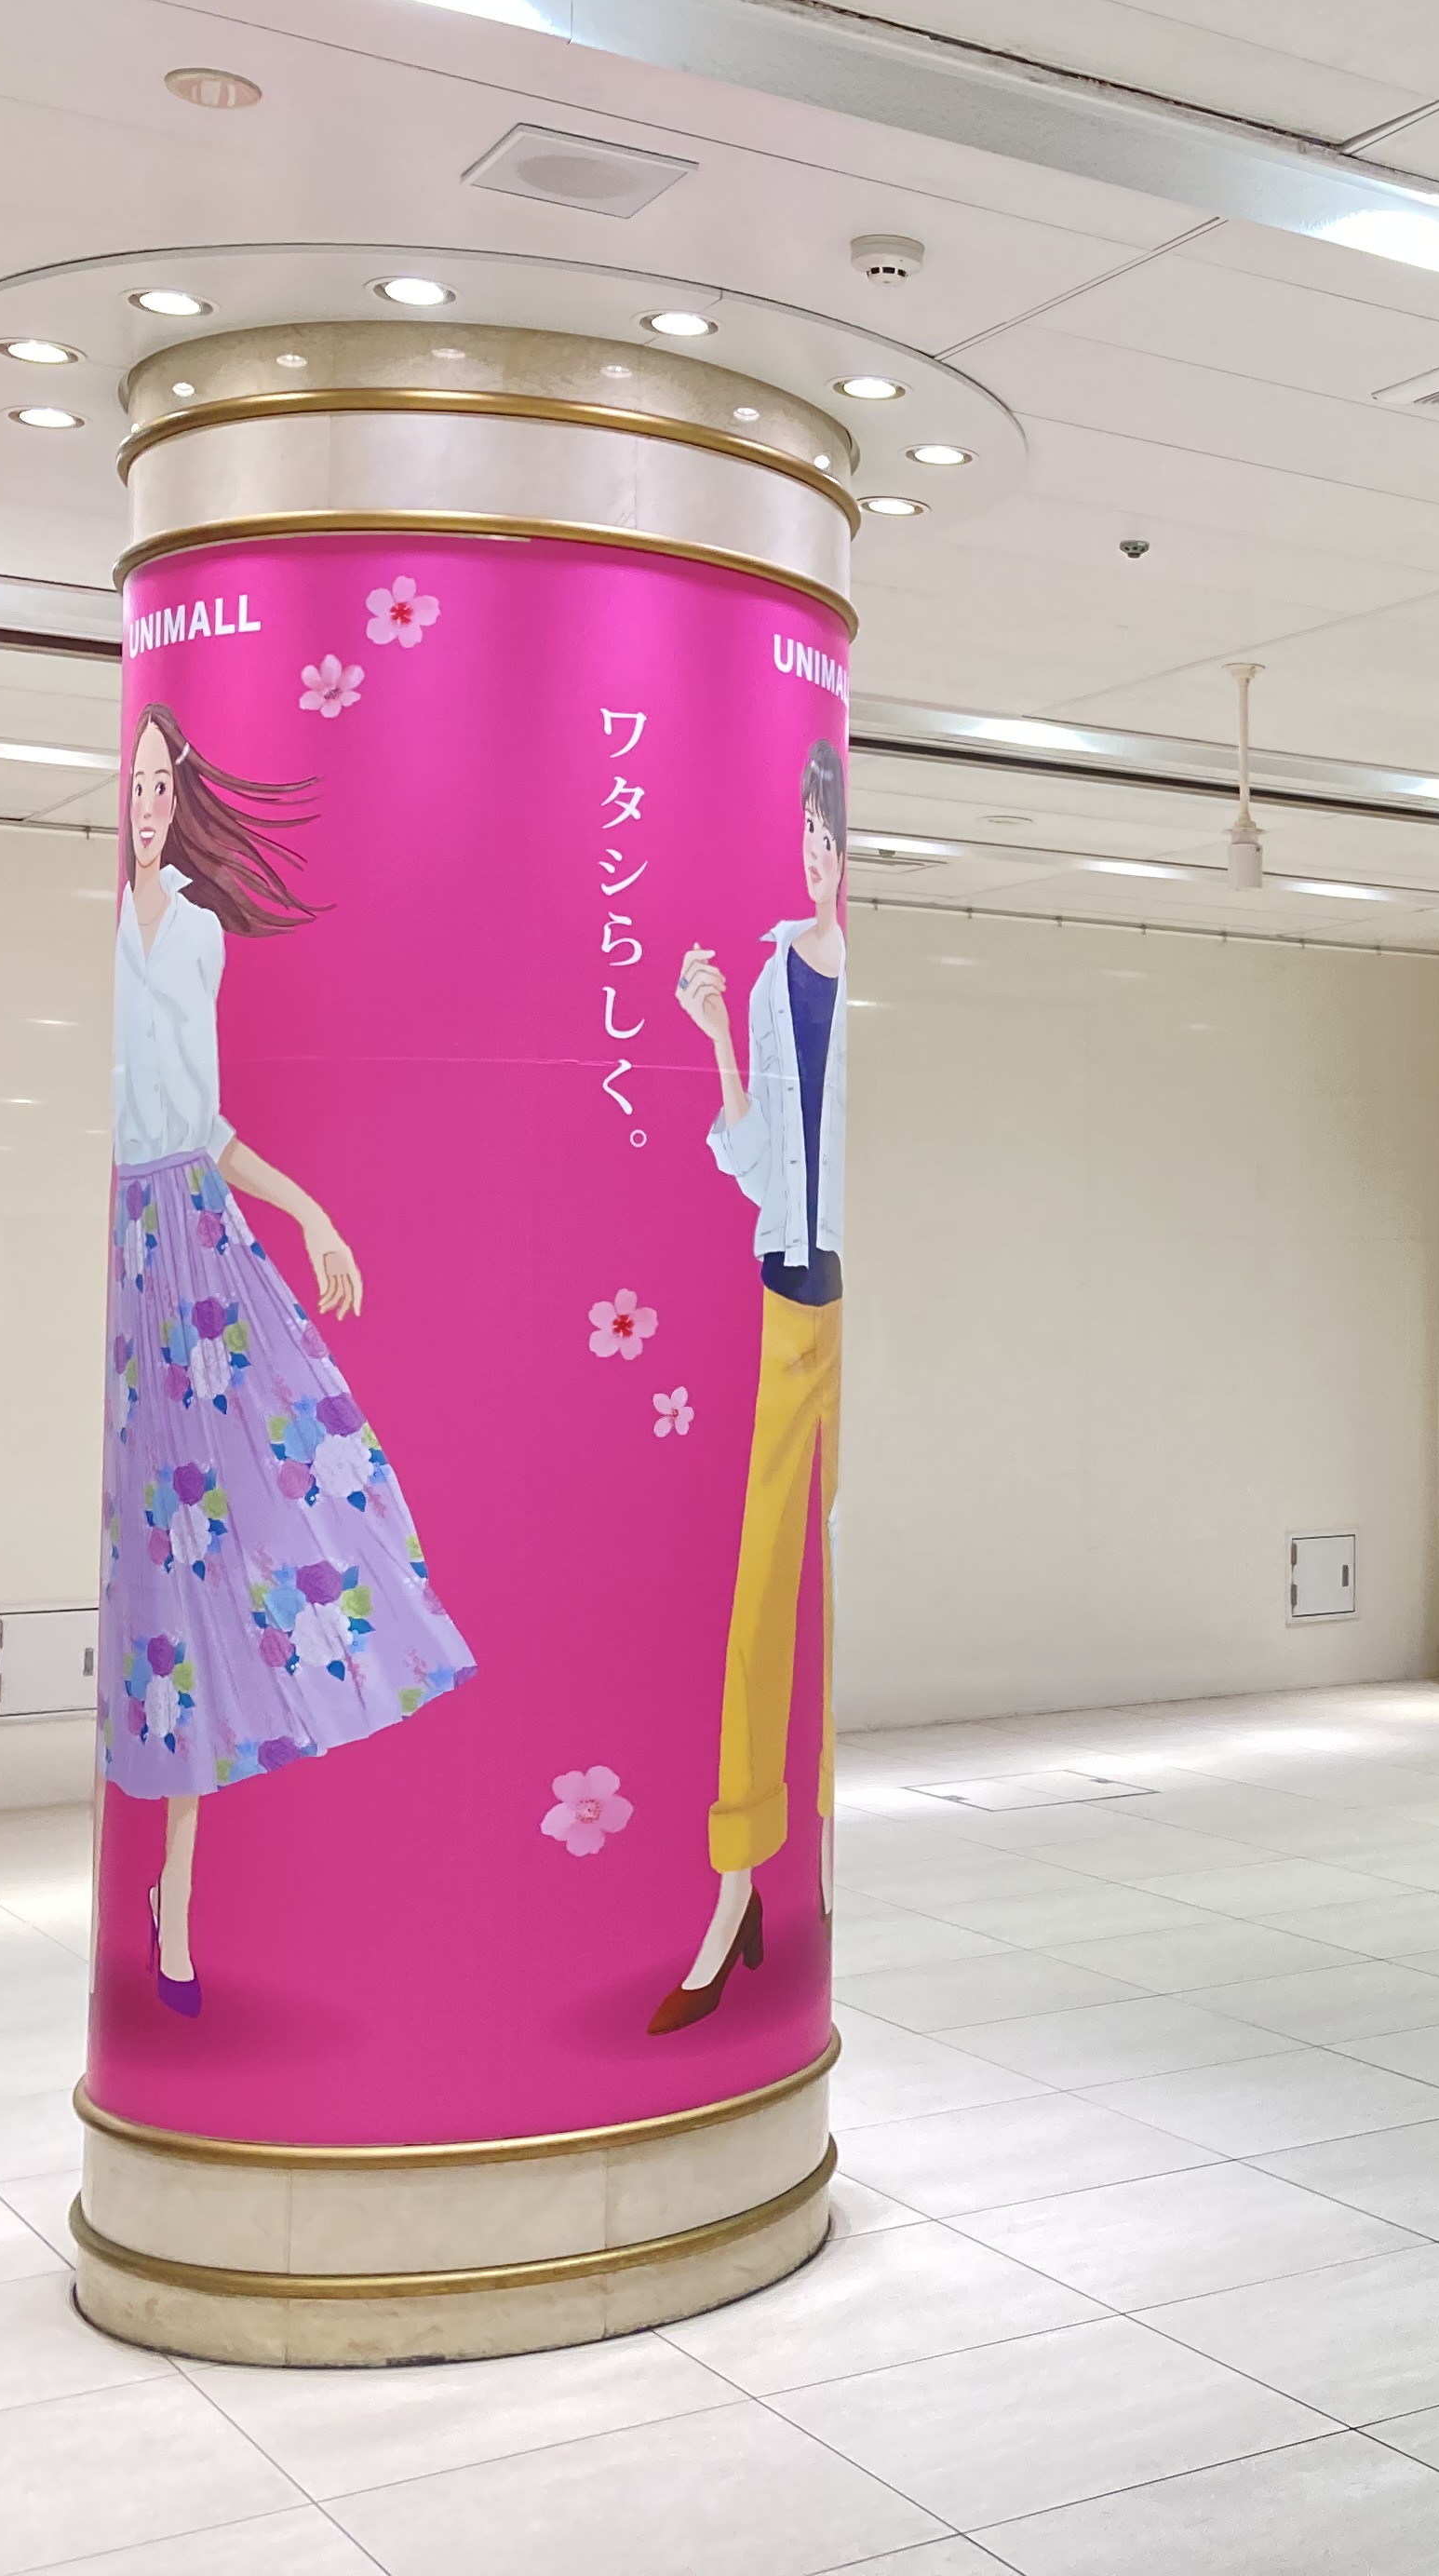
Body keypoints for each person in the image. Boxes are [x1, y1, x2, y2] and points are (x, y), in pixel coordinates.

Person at [102, 702, 474, 2015]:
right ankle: (169, 1898)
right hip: (119, 1250)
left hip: (190, 1244)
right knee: (151, 1565)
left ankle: (181, 1903)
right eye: (133, 784)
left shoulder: (197, 935)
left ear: (181, 796)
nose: (147, 806)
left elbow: (203, 1127)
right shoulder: (97, 928)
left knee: (237, 1521)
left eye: (162, 785)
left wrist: (310, 1213)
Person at [657, 737, 851, 2031]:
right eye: (810, 840)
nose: (818, 860)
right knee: (763, 1584)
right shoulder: (778, 973)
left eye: (833, 841)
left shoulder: (868, 980)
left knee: (843, 1590)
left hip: (863, 1305)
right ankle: (736, 1884)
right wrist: (718, 1035)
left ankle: (826, 1858)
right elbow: (747, 1155)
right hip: (792, 1301)